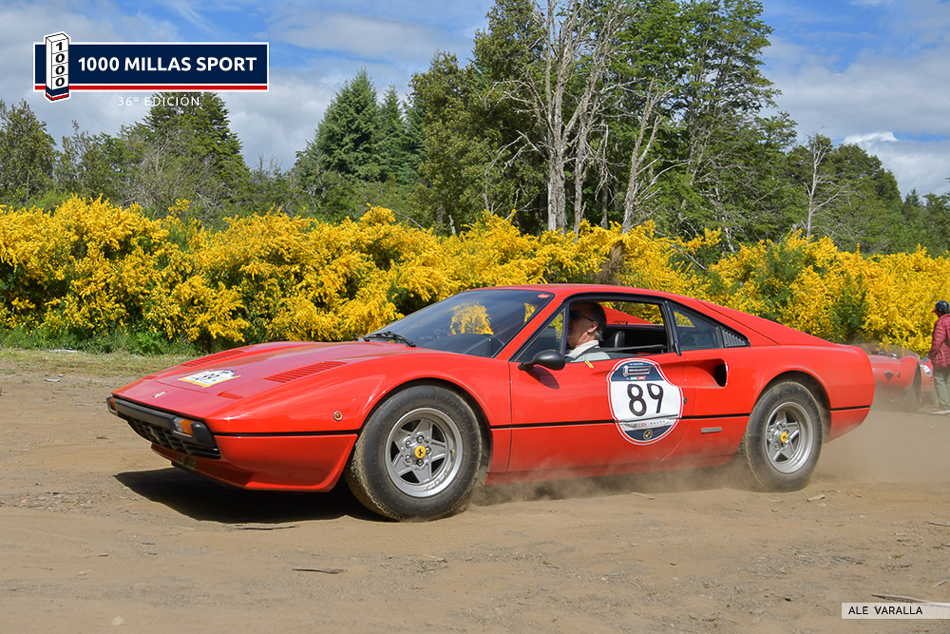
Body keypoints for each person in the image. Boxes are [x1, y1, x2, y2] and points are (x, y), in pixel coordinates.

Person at [928, 300, 950, 414]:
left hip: (942, 356)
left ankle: (944, 406)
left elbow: (937, 341)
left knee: (939, 378)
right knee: (948, 381)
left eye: (936, 312)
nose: (936, 314)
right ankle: (947, 404)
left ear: (940, 311)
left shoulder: (941, 322)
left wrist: (931, 354)